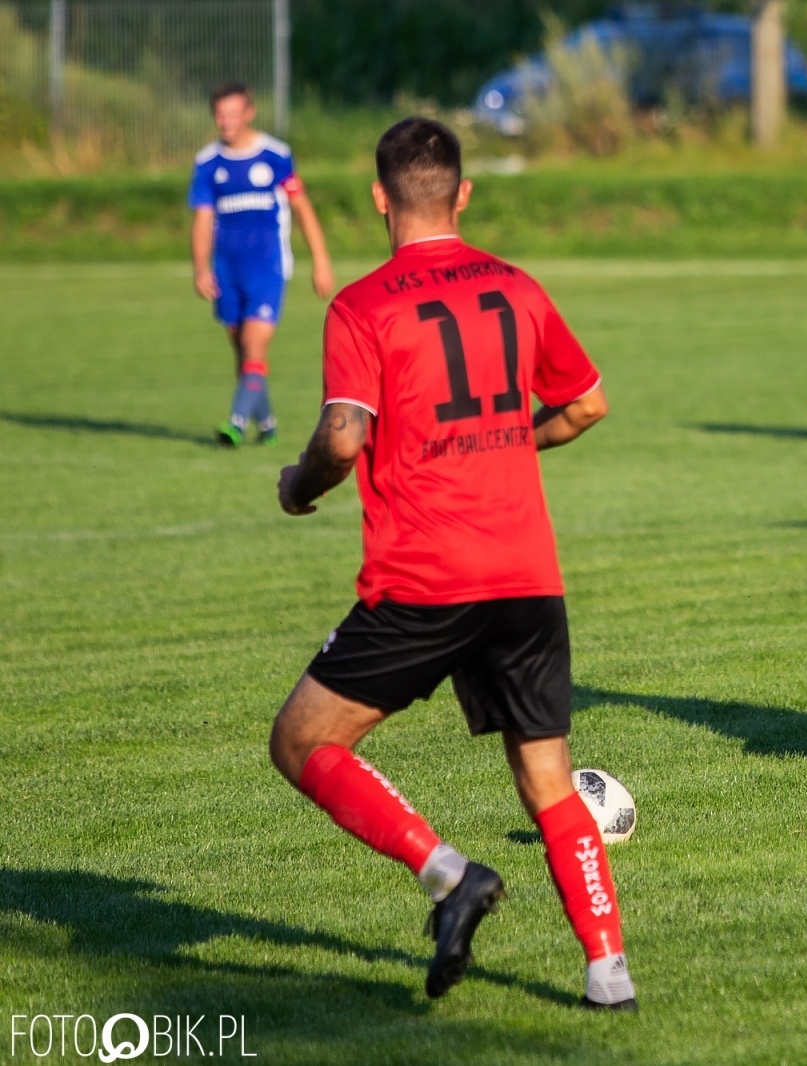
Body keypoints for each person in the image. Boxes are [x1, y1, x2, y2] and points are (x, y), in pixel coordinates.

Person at [269, 117, 636, 1010]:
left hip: (425, 576)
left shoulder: (362, 304)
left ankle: (446, 874)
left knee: (302, 740)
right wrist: (508, 447)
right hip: (527, 573)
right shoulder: (518, 287)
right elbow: (588, 405)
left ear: (378, 198)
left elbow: (344, 436)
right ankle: (607, 974)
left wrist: (296, 485)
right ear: (463, 194)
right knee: (547, 774)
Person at [189, 81, 335, 447]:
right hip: (227, 270)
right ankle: (266, 423)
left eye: (234, 114)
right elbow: (203, 219)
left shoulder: (275, 155)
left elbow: (302, 209)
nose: (227, 122)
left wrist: (320, 261)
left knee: (255, 343)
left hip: (268, 267)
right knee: (242, 348)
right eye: (220, 115)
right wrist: (201, 267)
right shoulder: (208, 163)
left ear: (249, 113)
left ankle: (236, 423)